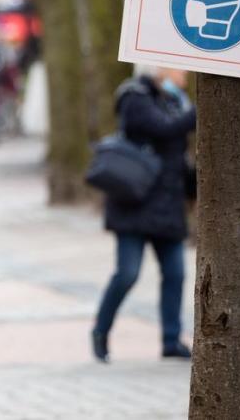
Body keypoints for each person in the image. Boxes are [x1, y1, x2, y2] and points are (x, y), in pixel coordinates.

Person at [92, 66, 196, 363]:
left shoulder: (177, 101)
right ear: (160, 67)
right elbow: (164, 128)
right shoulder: (134, 97)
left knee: (175, 274)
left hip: (167, 204)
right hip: (135, 202)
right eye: (179, 66)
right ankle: (101, 330)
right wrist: (201, 112)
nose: (186, 72)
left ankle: (171, 339)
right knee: (127, 274)